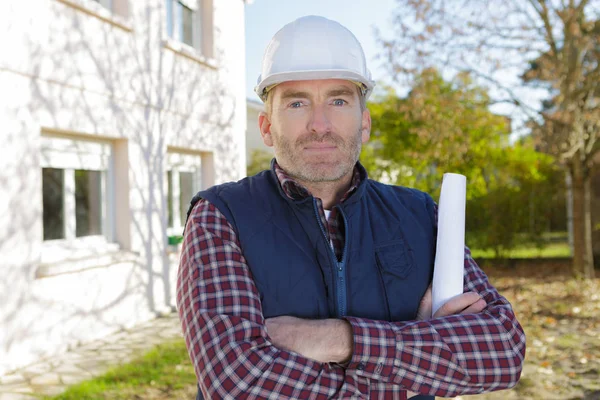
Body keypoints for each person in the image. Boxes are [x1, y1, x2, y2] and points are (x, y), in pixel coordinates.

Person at [176, 15, 526, 400]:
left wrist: (339, 339)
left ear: (364, 124)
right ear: (265, 128)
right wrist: (416, 363)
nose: (320, 124)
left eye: (339, 100)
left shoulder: (421, 215)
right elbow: (238, 385)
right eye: (296, 103)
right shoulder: (222, 216)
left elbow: (502, 351)